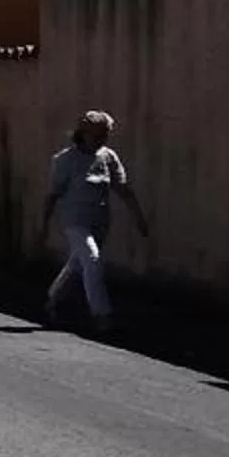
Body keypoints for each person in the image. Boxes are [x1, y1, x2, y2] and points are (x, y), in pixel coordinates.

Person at [45, 109, 148, 331]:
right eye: (98, 135)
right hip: (75, 221)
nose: (102, 140)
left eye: (105, 135)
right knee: (92, 260)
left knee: (77, 264)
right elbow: (53, 194)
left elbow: (123, 188)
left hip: (100, 221)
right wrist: (44, 224)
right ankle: (102, 314)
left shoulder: (108, 157)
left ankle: (54, 298)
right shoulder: (66, 160)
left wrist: (138, 217)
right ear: (84, 133)